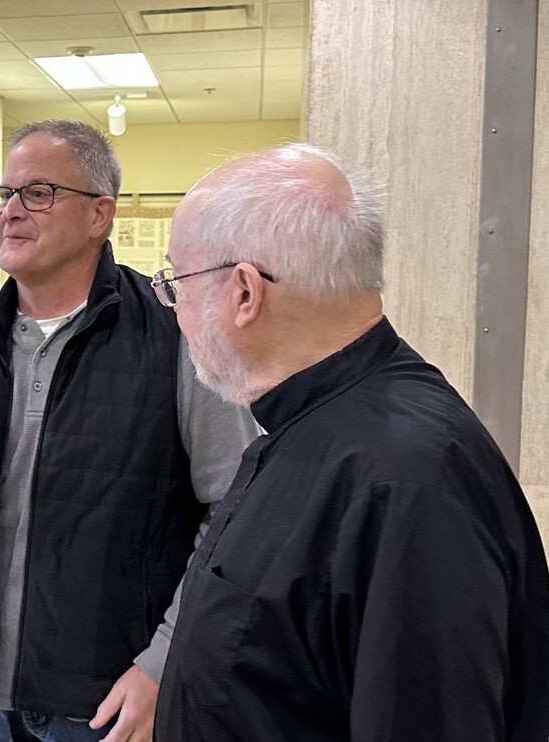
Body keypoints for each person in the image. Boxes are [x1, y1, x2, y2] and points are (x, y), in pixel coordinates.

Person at [0, 119, 260, 741]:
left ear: (100, 215)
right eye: (3, 194)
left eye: (37, 193)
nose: (10, 212)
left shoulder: (174, 336)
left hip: (112, 691)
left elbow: (233, 512)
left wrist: (166, 658)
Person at [152, 144, 549, 740]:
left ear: (243, 293)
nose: (174, 309)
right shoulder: (312, 425)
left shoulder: (407, 480)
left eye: (175, 281)